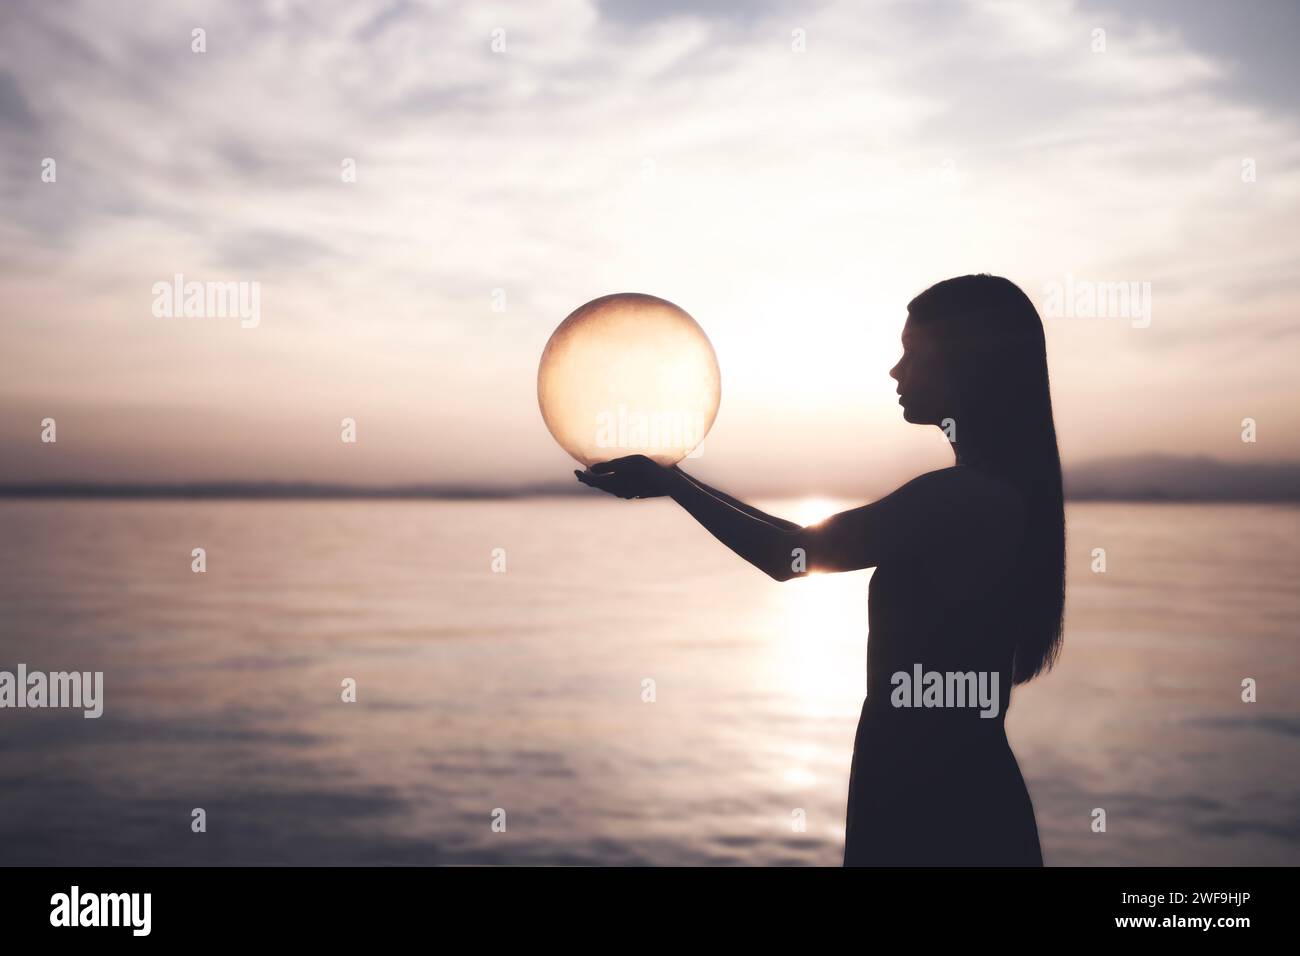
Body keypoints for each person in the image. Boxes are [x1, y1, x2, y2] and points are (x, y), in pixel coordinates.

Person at [577, 274, 1064, 866]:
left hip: (936, 805)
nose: (895, 371)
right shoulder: (988, 493)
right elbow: (799, 544)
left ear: (968, 365)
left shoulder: (962, 497)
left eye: (914, 352)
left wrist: (671, 483)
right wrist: (674, 481)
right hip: (943, 788)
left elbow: (790, 559)